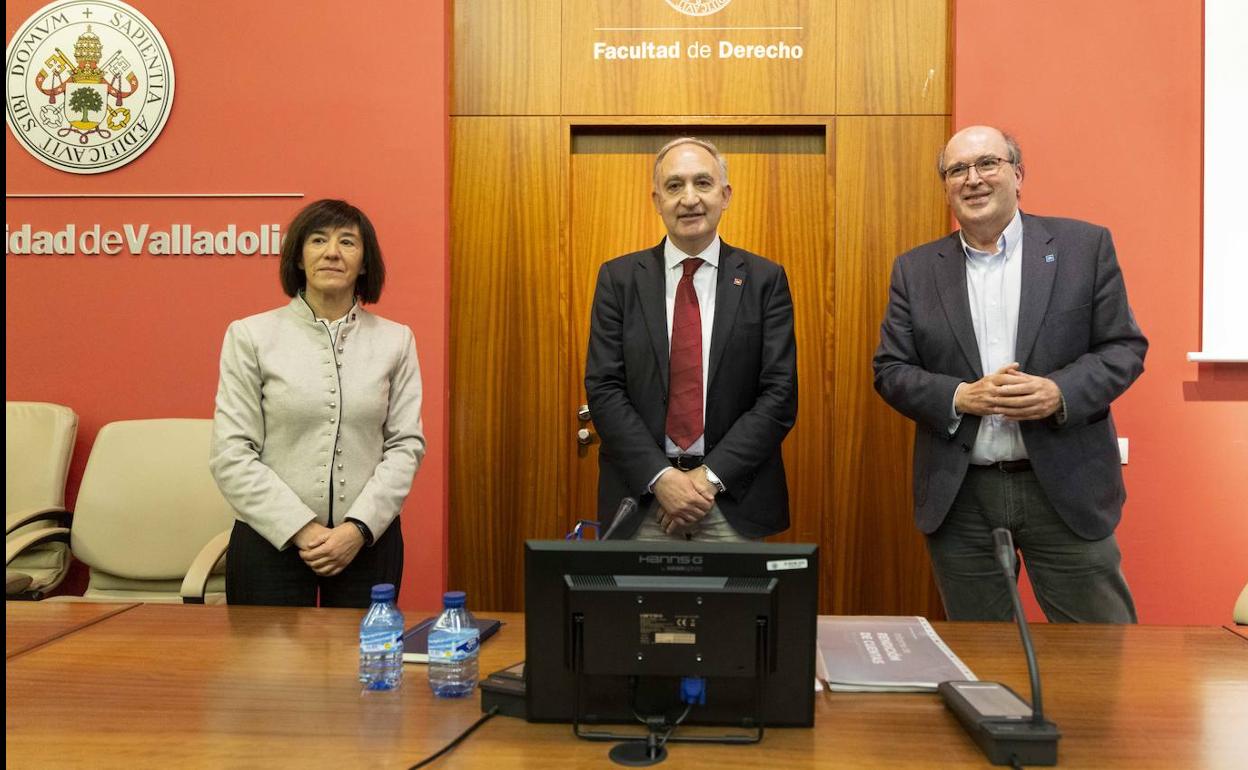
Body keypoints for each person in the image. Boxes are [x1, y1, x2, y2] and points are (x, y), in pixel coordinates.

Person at [873, 126, 1147, 622]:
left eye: (988, 164)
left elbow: (1124, 348)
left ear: (1018, 174)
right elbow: (890, 370)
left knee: (1101, 656)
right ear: (946, 186)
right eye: (957, 170)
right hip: (961, 497)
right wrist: (960, 396)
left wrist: (1058, 392)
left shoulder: (1083, 248)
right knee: (984, 660)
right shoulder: (915, 270)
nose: (973, 179)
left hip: (1063, 487)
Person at [210, 199, 426, 607]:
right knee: (267, 671)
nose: (332, 252)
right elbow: (231, 453)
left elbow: (405, 445)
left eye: (348, 242)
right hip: (270, 539)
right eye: (318, 240)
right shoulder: (251, 336)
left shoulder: (396, 341)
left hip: (366, 542)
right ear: (298, 257)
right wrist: (302, 530)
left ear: (364, 263)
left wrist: (356, 529)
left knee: (361, 667)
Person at [585, 137, 797, 541]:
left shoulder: (764, 280)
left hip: (734, 499)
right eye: (674, 186)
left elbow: (779, 395)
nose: (689, 199)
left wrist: (707, 480)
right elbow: (604, 388)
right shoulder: (619, 279)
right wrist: (661, 478)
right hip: (642, 498)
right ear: (656, 199)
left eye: (703, 183)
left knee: (736, 607)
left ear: (725, 195)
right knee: (637, 606)